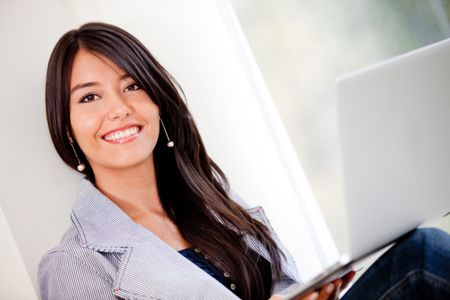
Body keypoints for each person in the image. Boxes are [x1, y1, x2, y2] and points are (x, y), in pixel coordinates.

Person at [38, 22, 450, 300]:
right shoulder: (73, 265)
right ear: (67, 126)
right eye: (89, 97)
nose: (120, 108)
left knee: (417, 246)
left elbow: (282, 286)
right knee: (423, 257)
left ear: (157, 102)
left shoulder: (211, 197)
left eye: (132, 86)